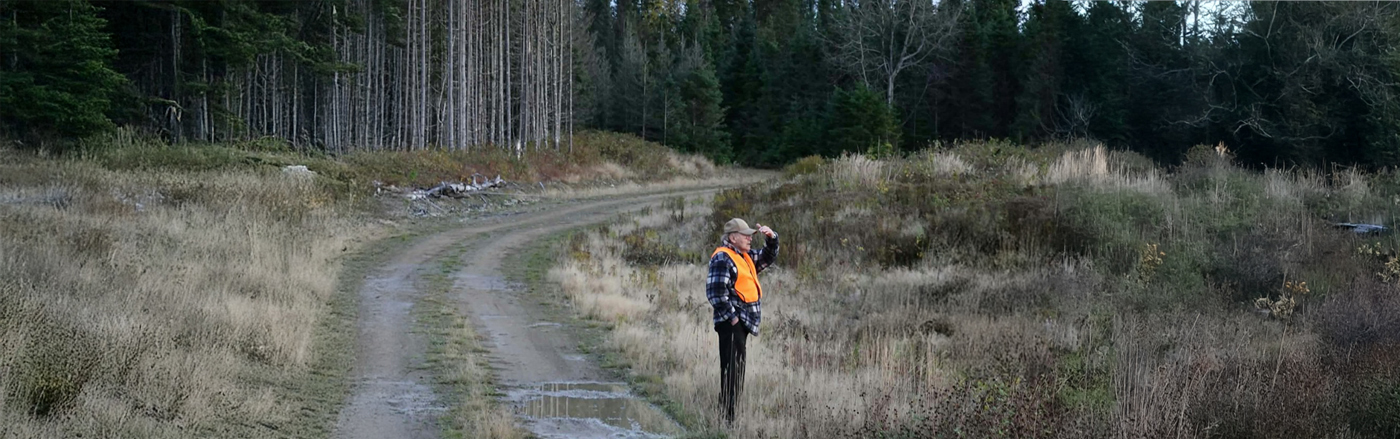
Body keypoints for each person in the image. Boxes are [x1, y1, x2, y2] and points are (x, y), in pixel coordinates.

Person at [706, 217, 778, 424]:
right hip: (732, 324)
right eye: (745, 235)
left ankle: (727, 416)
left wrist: (772, 238)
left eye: (750, 235)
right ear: (732, 238)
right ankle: (727, 421)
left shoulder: (744, 256)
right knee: (732, 371)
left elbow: (767, 257)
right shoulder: (723, 257)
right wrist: (734, 319)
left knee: (736, 370)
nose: (749, 238)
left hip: (741, 323)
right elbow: (715, 293)